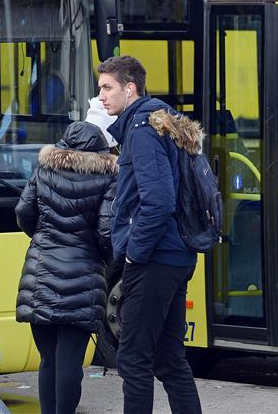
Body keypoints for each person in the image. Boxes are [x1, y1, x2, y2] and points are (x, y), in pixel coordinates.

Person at [97, 55, 203, 414]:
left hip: (154, 258)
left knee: (133, 359)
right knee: (170, 359)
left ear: (130, 89)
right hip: (175, 254)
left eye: (107, 87)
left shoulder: (142, 130)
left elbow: (157, 201)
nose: (101, 97)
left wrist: (133, 253)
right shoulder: (162, 124)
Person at [14, 121, 117, 414]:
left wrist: (43, 238)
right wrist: (100, 256)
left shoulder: (44, 169)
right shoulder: (108, 177)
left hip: (40, 274)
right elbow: (106, 231)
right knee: (70, 361)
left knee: (48, 360)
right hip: (83, 280)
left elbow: (23, 211)